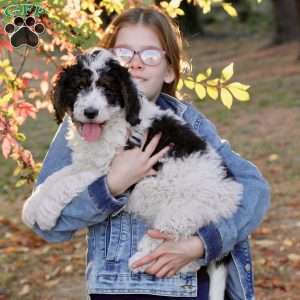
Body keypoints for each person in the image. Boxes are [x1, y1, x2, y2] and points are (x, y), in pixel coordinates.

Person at [22, 6, 270, 300]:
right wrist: (111, 185)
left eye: (150, 55)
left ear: (170, 70)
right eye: (124, 53)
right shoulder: (84, 125)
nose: (136, 65)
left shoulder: (190, 124)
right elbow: (49, 227)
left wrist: (202, 244)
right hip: (118, 289)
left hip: (188, 287)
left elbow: (254, 190)